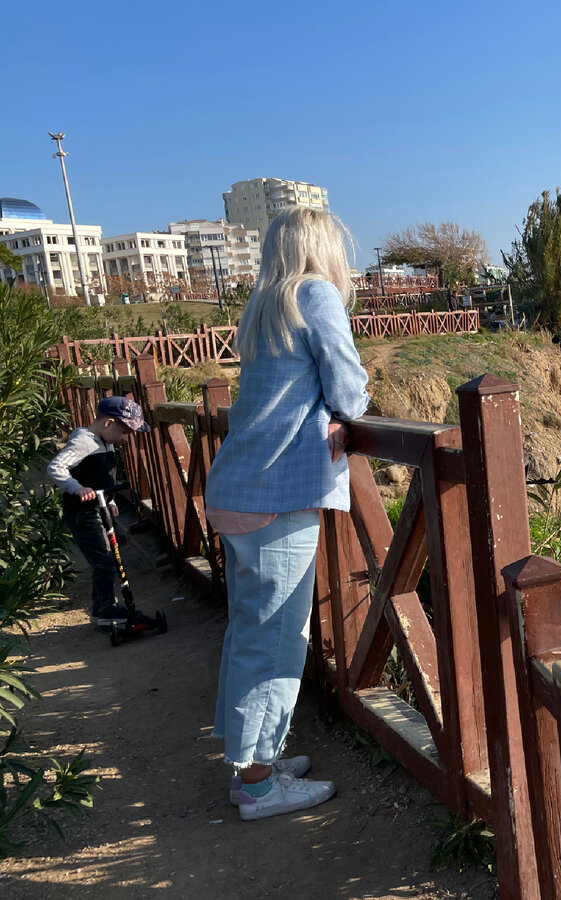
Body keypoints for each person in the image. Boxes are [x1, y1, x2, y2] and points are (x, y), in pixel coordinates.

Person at [205, 206, 370, 821]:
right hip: (277, 495)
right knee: (275, 640)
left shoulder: (263, 303)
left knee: (249, 632)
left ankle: (254, 764)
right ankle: (255, 786)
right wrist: (344, 412)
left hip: (238, 487)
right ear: (323, 246)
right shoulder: (317, 294)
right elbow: (350, 391)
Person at [47, 395, 150, 625]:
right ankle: (105, 610)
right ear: (108, 423)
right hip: (83, 513)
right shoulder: (85, 442)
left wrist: (111, 501)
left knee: (108, 558)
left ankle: (102, 607)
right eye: (123, 432)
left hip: (99, 507)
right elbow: (56, 467)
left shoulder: (106, 441)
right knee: (103, 560)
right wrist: (77, 488)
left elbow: (102, 477)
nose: (124, 438)